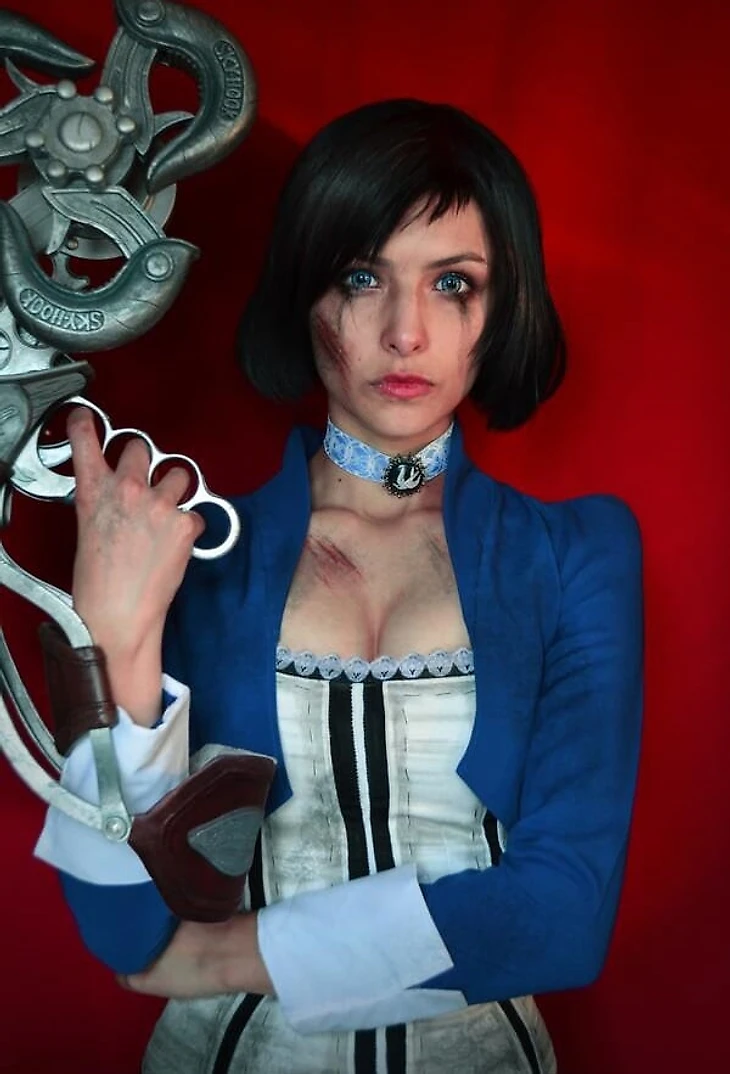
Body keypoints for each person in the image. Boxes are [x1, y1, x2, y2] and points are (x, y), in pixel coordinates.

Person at [34, 99, 643, 1074]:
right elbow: (121, 927)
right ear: (304, 291)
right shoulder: (191, 551)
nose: (405, 333)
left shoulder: (575, 553)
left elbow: (561, 919)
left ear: (502, 308)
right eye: (363, 276)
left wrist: (220, 957)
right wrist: (114, 636)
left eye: (453, 283)